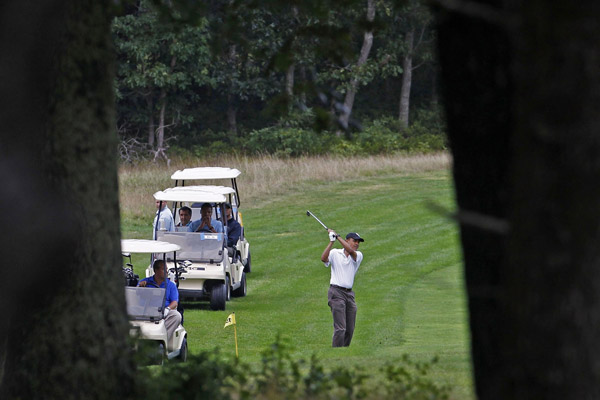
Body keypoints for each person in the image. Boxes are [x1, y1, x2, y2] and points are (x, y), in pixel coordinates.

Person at [320, 230, 364, 347]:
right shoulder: (335, 253)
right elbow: (324, 259)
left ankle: (344, 353)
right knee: (340, 329)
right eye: (354, 241)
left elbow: (350, 250)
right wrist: (331, 242)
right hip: (336, 293)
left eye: (358, 242)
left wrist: (337, 236)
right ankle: (336, 354)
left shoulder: (358, 255)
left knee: (350, 329)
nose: (356, 244)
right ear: (347, 241)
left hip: (349, 295)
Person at [138, 259, 182, 341]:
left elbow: (175, 302)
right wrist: (140, 287)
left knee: (176, 316)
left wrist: (167, 309)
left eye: (166, 269)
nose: (166, 272)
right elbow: (135, 292)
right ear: (156, 270)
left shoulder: (171, 285)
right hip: (146, 311)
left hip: (163, 311)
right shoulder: (145, 282)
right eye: (163, 269)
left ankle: (163, 338)